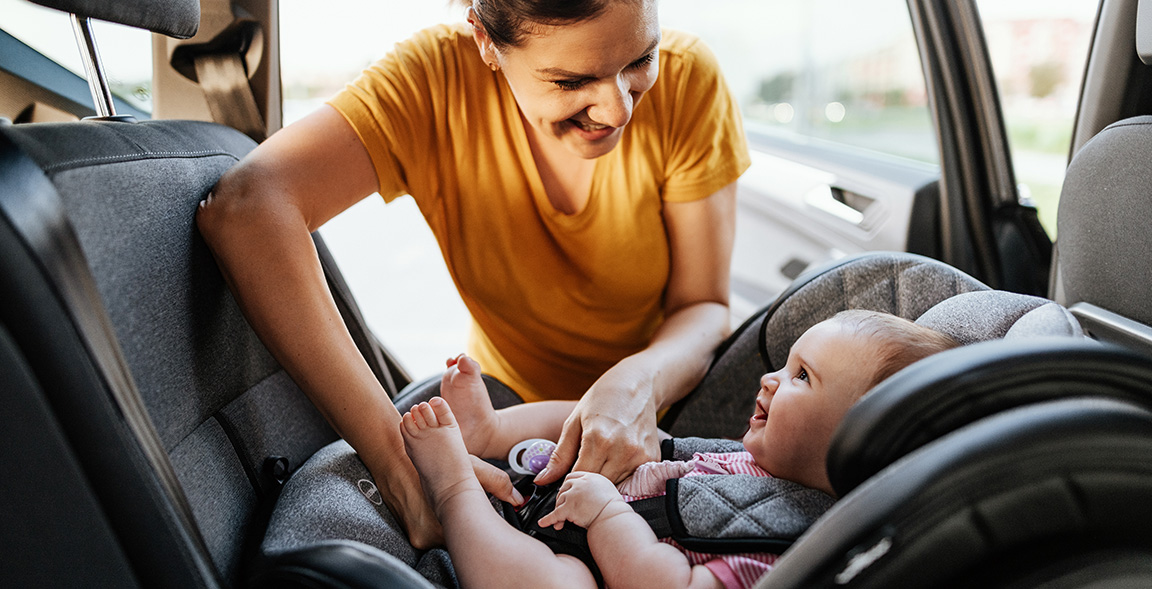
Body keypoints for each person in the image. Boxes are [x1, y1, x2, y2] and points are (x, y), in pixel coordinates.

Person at [196, 0, 750, 548]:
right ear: (486, 41)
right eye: (569, 81)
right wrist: (402, 471)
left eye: (640, 60)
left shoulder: (689, 79)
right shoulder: (434, 83)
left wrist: (638, 383)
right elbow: (246, 210)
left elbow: (701, 305)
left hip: (670, 400)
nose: (617, 110)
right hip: (506, 410)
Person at [400, 310, 961, 589]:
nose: (768, 379)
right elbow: (670, 464)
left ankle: (452, 495)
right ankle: (490, 433)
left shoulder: (785, 550)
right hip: (583, 493)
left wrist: (608, 514)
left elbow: (670, 583)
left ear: (857, 440)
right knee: (599, 418)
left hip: (593, 560)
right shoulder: (757, 463)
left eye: (801, 378)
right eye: (784, 364)